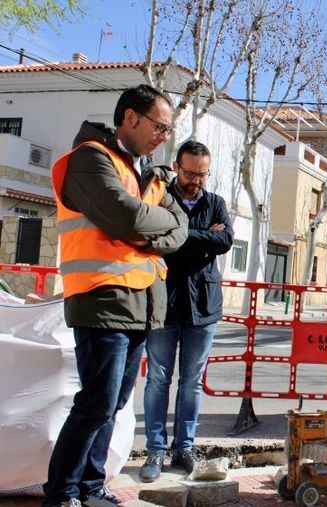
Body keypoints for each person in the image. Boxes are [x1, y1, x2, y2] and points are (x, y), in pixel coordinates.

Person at [44, 85, 188, 507]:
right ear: (129, 118)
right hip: (101, 299)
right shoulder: (90, 160)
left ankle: (91, 488)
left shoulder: (148, 173)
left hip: (140, 306)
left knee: (111, 407)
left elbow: (178, 232)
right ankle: (60, 494)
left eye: (168, 129)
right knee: (95, 404)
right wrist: (146, 225)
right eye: (159, 126)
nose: (164, 135)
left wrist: (147, 228)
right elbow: (126, 216)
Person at [138, 141, 233, 482]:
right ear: (176, 166)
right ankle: (155, 450)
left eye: (202, 173)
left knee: (192, 382)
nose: (196, 180)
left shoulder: (216, 203)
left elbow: (225, 242)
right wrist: (203, 237)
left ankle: (184, 448)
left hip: (203, 307)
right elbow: (152, 237)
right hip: (163, 302)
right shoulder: (160, 197)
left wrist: (180, 236)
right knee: (158, 379)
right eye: (191, 172)